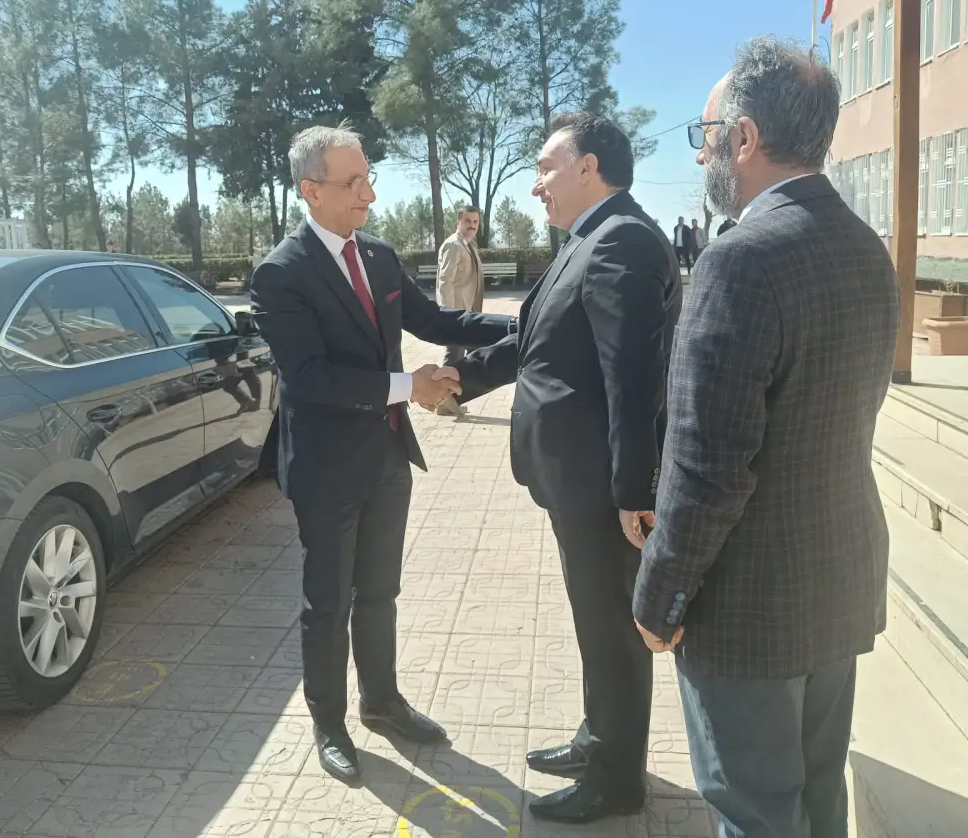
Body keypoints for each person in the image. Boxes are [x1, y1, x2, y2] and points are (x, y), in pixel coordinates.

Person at [633, 38, 900, 838]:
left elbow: (708, 470)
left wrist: (658, 594)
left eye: (707, 133)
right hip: (836, 582)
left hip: (748, 609)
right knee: (818, 801)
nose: (702, 152)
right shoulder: (866, 248)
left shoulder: (739, 261)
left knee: (756, 814)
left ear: (744, 138)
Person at [249, 124, 515, 784]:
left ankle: (383, 703)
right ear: (311, 191)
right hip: (327, 469)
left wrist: (530, 322)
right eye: (353, 183)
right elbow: (309, 377)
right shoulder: (281, 273)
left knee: (380, 593)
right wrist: (408, 386)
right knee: (327, 602)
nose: (368, 193)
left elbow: (438, 322)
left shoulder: (378, 255)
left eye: (369, 178)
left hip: (387, 458)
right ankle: (329, 722)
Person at [453, 112, 682, 825]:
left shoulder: (624, 242)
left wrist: (633, 491)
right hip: (574, 481)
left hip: (601, 488)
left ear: (589, 168)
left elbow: (632, 381)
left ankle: (617, 779)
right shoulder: (590, 237)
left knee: (612, 625)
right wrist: (461, 378)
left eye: (546, 167)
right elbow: (539, 341)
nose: (536, 185)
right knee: (595, 619)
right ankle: (598, 736)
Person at [434, 205, 484, 417]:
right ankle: (442, 401)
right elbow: (445, 282)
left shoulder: (468, 244)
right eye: (468, 221)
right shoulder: (454, 245)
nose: (472, 225)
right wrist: (450, 315)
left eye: (475, 222)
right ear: (458, 222)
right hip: (457, 313)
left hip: (468, 312)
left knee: (460, 356)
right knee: (454, 355)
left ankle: (448, 400)